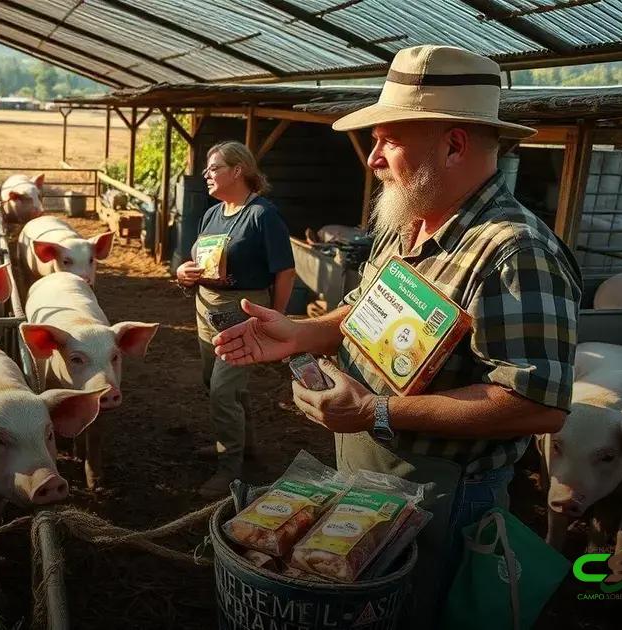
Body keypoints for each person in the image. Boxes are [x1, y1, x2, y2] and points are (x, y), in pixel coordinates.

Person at [212, 45, 581, 623]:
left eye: (389, 139)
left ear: (454, 143)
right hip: (367, 467)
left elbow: (535, 404)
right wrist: (303, 332)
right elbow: (363, 311)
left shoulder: (515, 250)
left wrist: (378, 411)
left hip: (445, 497)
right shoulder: (407, 223)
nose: (373, 159)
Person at [175, 141, 296, 498]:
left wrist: (276, 317)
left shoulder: (262, 215)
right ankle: (243, 445)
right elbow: (197, 260)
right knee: (214, 382)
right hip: (206, 308)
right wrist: (184, 273)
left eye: (213, 168)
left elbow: (285, 272)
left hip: (243, 311)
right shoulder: (211, 214)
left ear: (238, 170)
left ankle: (229, 468)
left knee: (224, 390)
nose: (206, 175)